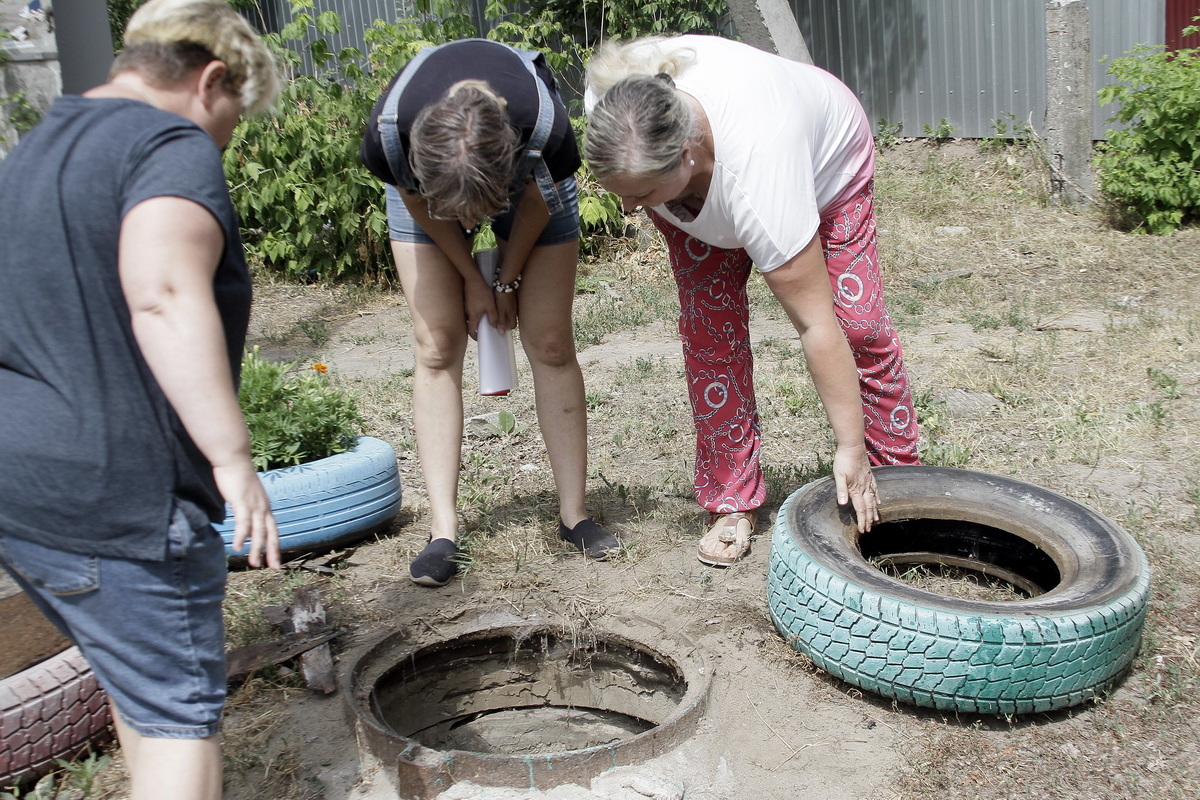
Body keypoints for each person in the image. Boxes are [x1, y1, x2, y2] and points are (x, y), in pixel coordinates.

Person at [0, 2, 282, 798]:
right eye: (234, 114)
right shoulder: (168, 142)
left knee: (148, 696)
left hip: (25, 498)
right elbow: (160, 290)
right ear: (211, 80)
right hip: (115, 503)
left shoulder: (38, 146)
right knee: (179, 728)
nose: (226, 136)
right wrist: (232, 461)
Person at [584, 35, 920, 566]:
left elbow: (816, 325)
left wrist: (849, 448)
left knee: (859, 327)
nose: (627, 209)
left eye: (640, 195)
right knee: (710, 336)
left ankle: (897, 477)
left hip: (826, 169)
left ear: (688, 152)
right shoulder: (614, 111)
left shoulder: (762, 174)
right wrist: (651, 192)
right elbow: (636, 174)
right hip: (697, 181)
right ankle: (730, 498)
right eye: (618, 193)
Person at [360, 39, 619, 587]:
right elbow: (414, 203)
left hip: (527, 184)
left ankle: (574, 514)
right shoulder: (389, 133)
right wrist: (469, 281)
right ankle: (443, 529)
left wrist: (505, 278)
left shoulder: (544, 126)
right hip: (428, 199)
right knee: (437, 345)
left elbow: (533, 203)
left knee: (550, 341)